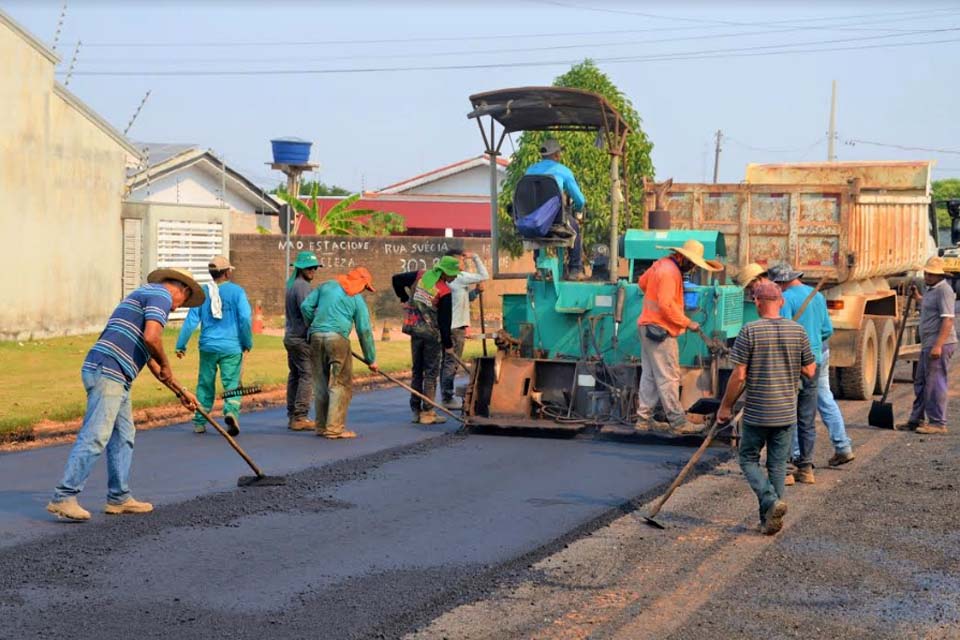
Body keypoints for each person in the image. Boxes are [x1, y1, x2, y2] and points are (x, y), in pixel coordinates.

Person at [46, 268, 204, 521]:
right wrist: (167, 363)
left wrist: (180, 391)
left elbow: (152, 360)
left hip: (115, 374)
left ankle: (118, 497)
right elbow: (153, 338)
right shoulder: (161, 296)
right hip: (109, 370)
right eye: (182, 304)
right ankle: (64, 496)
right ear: (182, 290)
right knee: (97, 435)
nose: (175, 310)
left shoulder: (145, 294)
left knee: (124, 434)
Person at [718, 282, 816, 535]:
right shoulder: (798, 332)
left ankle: (770, 502)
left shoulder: (749, 331)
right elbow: (810, 371)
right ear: (781, 302)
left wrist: (725, 407)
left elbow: (739, 375)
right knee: (777, 465)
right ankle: (770, 520)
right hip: (785, 412)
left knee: (748, 459)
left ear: (757, 302)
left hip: (757, 412)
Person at [769, 263, 852, 483]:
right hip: (816, 358)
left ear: (781, 282)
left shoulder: (785, 298)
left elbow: (782, 331)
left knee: (785, 412)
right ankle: (805, 468)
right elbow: (827, 330)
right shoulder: (816, 296)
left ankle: (786, 468)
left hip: (792, 363)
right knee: (807, 415)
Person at [636, 239, 723, 434]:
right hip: (660, 330)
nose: (692, 267)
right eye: (691, 263)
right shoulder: (670, 273)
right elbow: (666, 305)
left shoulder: (660, 264)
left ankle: (643, 420)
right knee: (669, 376)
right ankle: (678, 422)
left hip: (647, 326)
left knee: (650, 375)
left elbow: (642, 283)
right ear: (682, 257)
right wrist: (687, 322)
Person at [176, 256, 253, 436]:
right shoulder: (237, 292)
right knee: (232, 383)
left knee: (205, 384)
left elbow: (191, 320)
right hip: (232, 347)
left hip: (208, 347)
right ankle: (231, 412)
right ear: (227, 272)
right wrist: (247, 342)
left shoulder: (203, 293)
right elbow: (244, 318)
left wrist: (181, 345)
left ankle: (200, 421)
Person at [301, 267, 378, 439]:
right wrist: (371, 359)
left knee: (320, 382)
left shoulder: (326, 286)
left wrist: (313, 325)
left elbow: (305, 306)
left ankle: (321, 426)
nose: (364, 291)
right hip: (337, 339)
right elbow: (364, 330)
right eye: (365, 287)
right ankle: (335, 428)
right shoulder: (356, 298)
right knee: (340, 384)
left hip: (315, 337)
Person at [392, 255, 462, 425]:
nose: (455, 277)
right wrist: (449, 346)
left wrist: (403, 298)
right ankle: (428, 412)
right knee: (430, 373)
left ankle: (415, 411)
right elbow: (445, 323)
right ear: (445, 273)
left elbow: (396, 280)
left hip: (414, 330)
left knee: (417, 371)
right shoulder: (444, 291)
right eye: (453, 274)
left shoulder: (420, 276)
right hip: (431, 335)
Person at [898, 256, 957, 434]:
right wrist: (917, 297)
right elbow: (930, 306)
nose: (927, 276)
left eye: (931, 274)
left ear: (940, 276)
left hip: (939, 344)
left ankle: (938, 422)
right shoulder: (932, 290)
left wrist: (938, 346)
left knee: (935, 383)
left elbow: (947, 320)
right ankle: (916, 419)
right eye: (926, 273)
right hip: (928, 344)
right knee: (921, 382)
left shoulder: (944, 291)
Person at [525, 138, 587, 280]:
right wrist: (578, 209)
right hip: (555, 219)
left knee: (537, 230)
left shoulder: (530, 170)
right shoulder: (563, 171)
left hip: (532, 219)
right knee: (575, 227)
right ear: (557, 155)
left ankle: (539, 268)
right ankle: (575, 269)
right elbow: (580, 200)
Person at [440, 249, 489, 409]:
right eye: (462, 260)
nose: (464, 263)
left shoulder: (449, 279)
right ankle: (447, 397)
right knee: (451, 363)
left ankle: (445, 394)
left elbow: (463, 298)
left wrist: (475, 292)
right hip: (455, 327)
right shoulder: (459, 278)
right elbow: (484, 275)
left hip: (449, 325)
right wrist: (475, 256)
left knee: (447, 362)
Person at [284, 251, 322, 430]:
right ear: (300, 268)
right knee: (307, 375)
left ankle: (292, 414)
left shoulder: (292, 285)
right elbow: (307, 310)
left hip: (290, 337)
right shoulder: (302, 287)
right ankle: (300, 416)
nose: (313, 270)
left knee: (295, 376)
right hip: (300, 338)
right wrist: (316, 325)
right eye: (309, 267)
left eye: (315, 267)